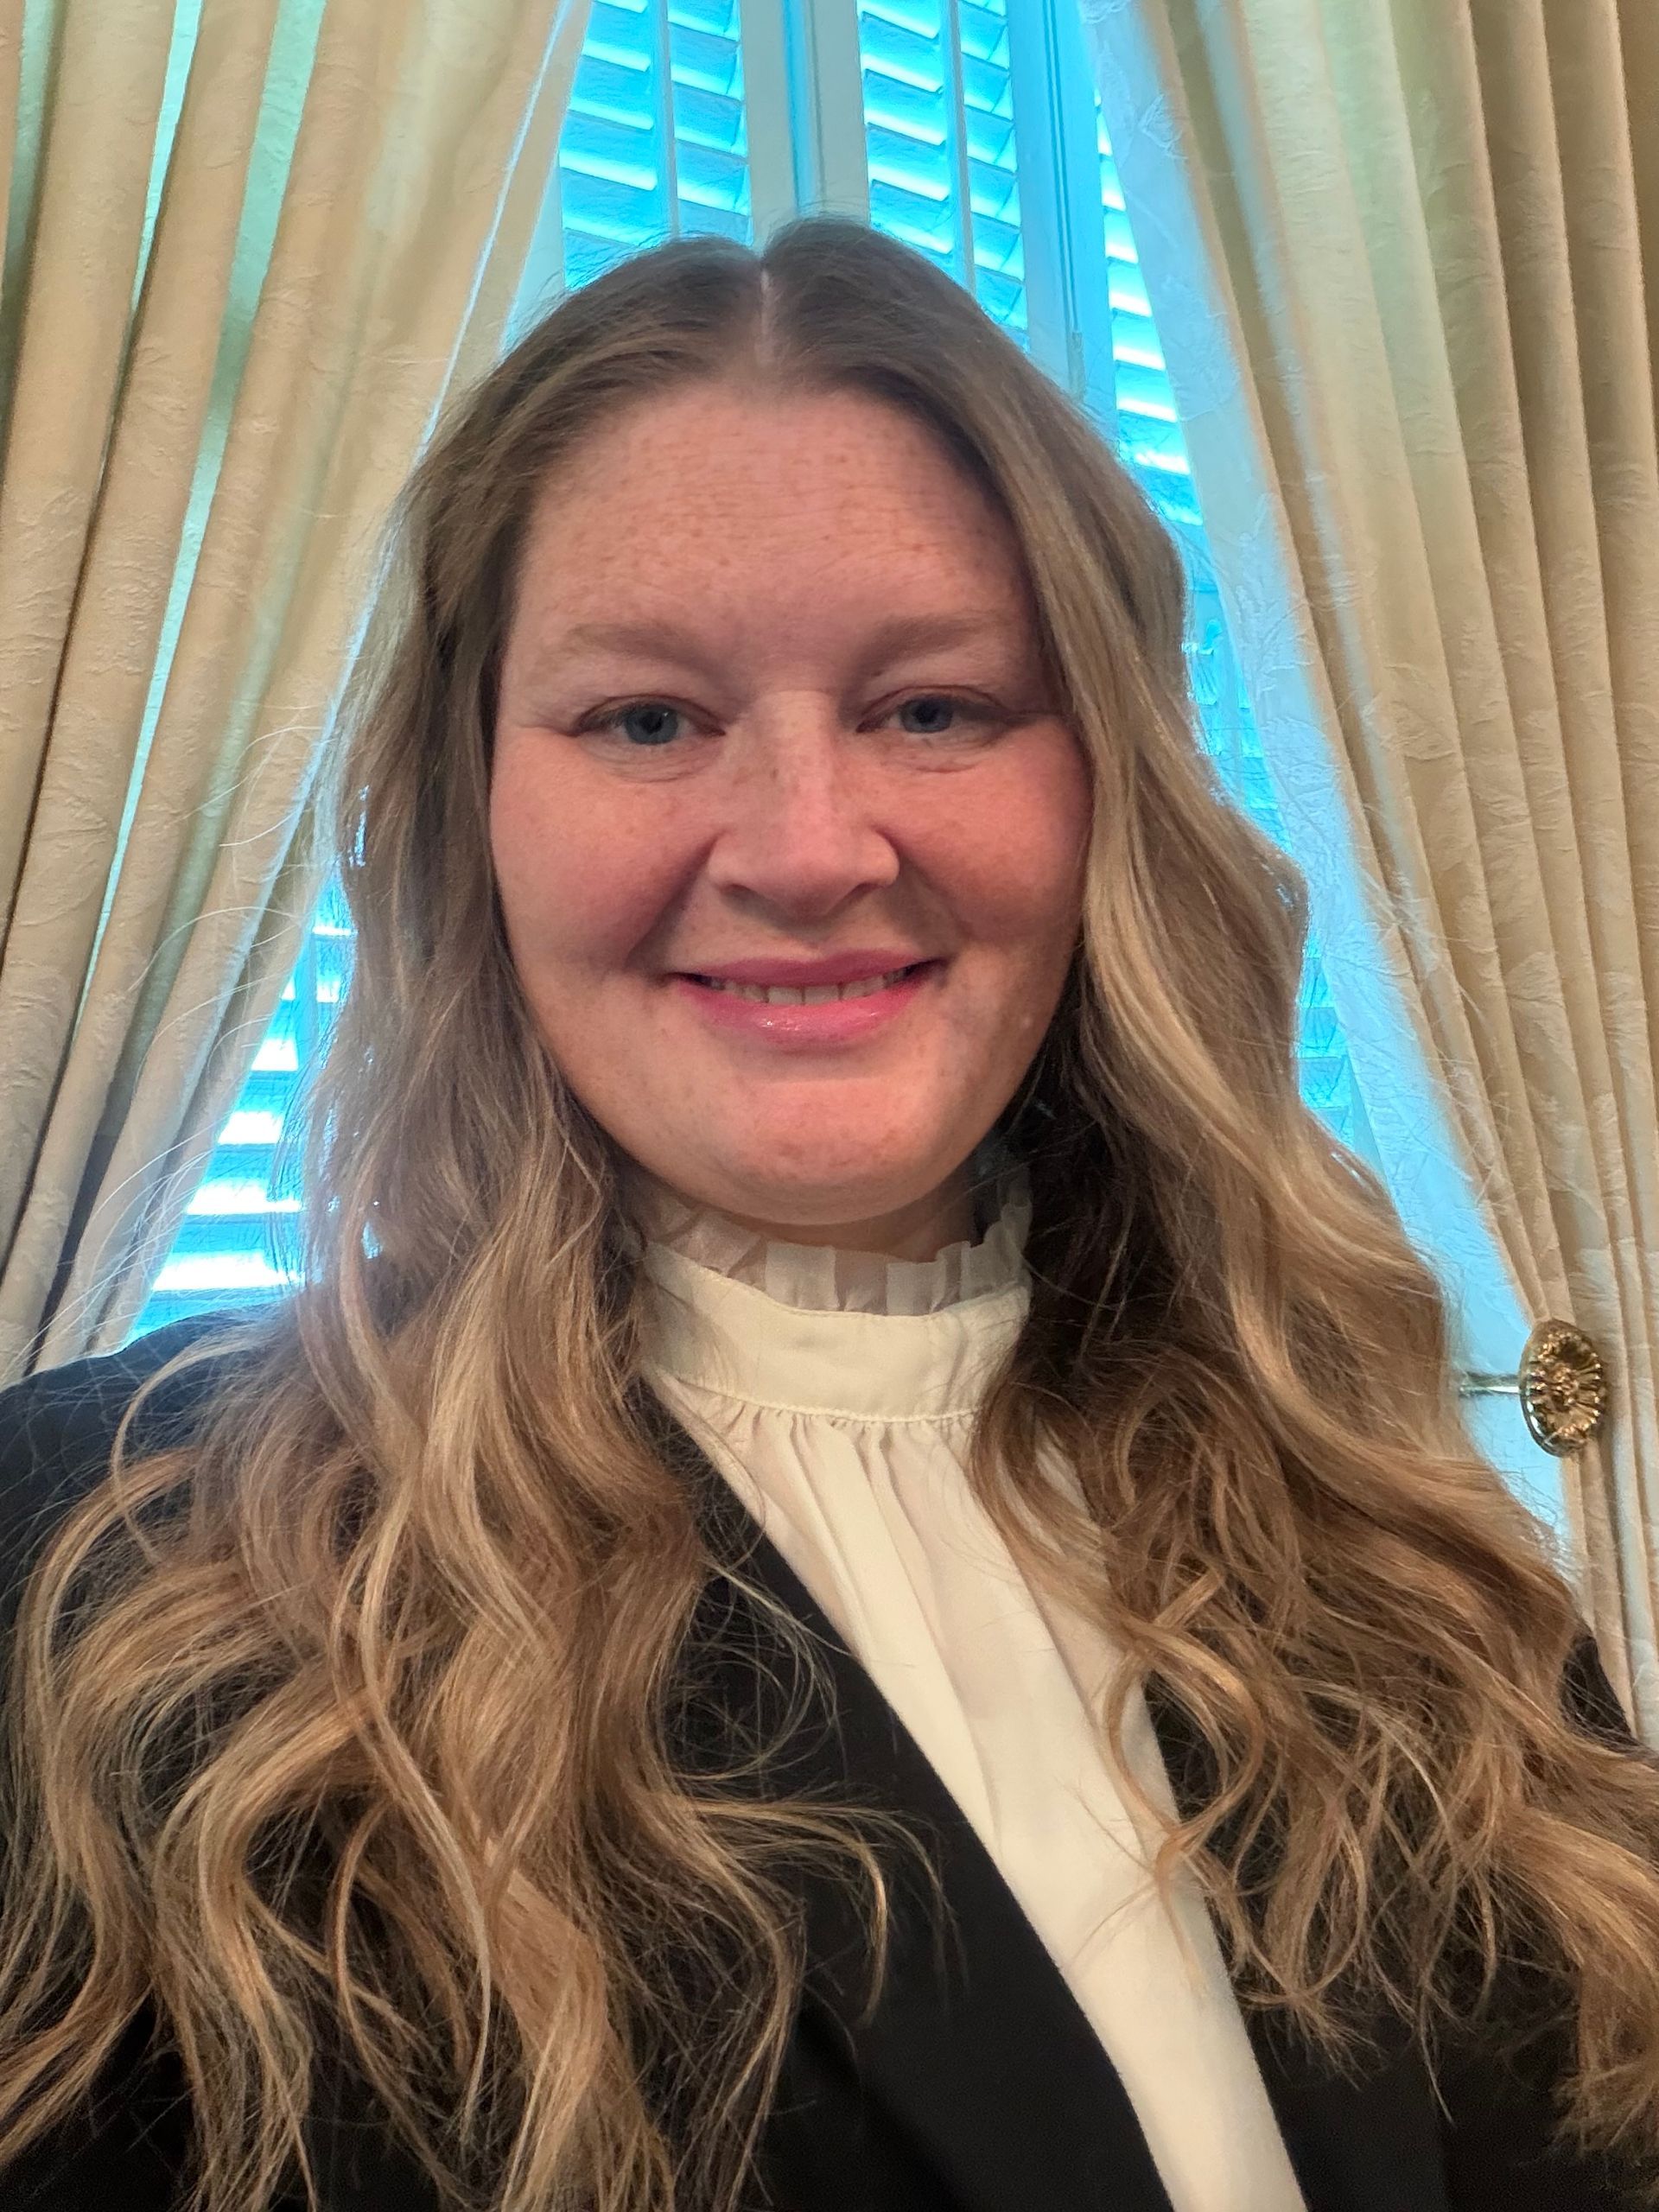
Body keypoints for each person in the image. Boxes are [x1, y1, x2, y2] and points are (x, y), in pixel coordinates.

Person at [0, 213, 1655, 2212]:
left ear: (1106, 784)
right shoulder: (100, 1570)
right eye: (646, 718)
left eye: (935, 707)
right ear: (475, 809)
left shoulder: (1395, 1529)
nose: (803, 848)